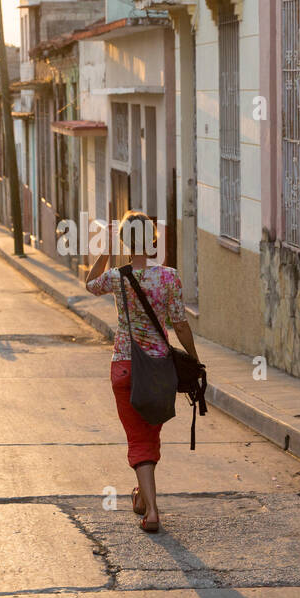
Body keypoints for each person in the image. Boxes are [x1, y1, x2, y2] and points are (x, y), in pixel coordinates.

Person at [85, 210, 199, 534]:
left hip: (124, 366)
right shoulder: (169, 277)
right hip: (160, 369)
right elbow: (180, 324)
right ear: (152, 239)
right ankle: (149, 505)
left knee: (139, 437)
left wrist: (106, 250)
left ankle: (148, 504)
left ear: (124, 241)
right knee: (149, 435)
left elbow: (90, 284)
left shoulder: (117, 277)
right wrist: (194, 360)